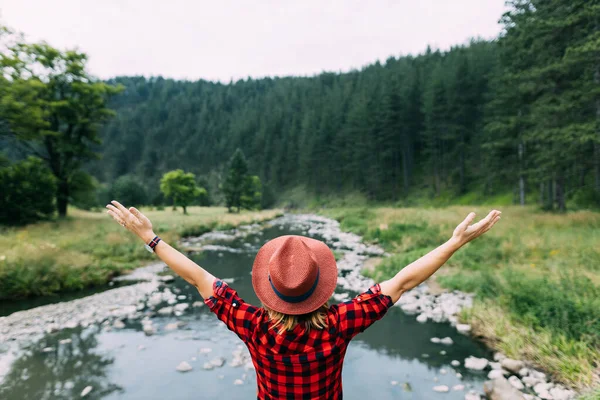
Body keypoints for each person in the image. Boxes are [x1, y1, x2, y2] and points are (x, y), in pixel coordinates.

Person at [106, 200, 501, 399]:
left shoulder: (251, 325)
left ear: (270, 288)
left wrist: (149, 237)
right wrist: (454, 243)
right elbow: (403, 281)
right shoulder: (341, 323)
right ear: (320, 286)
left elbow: (195, 276)